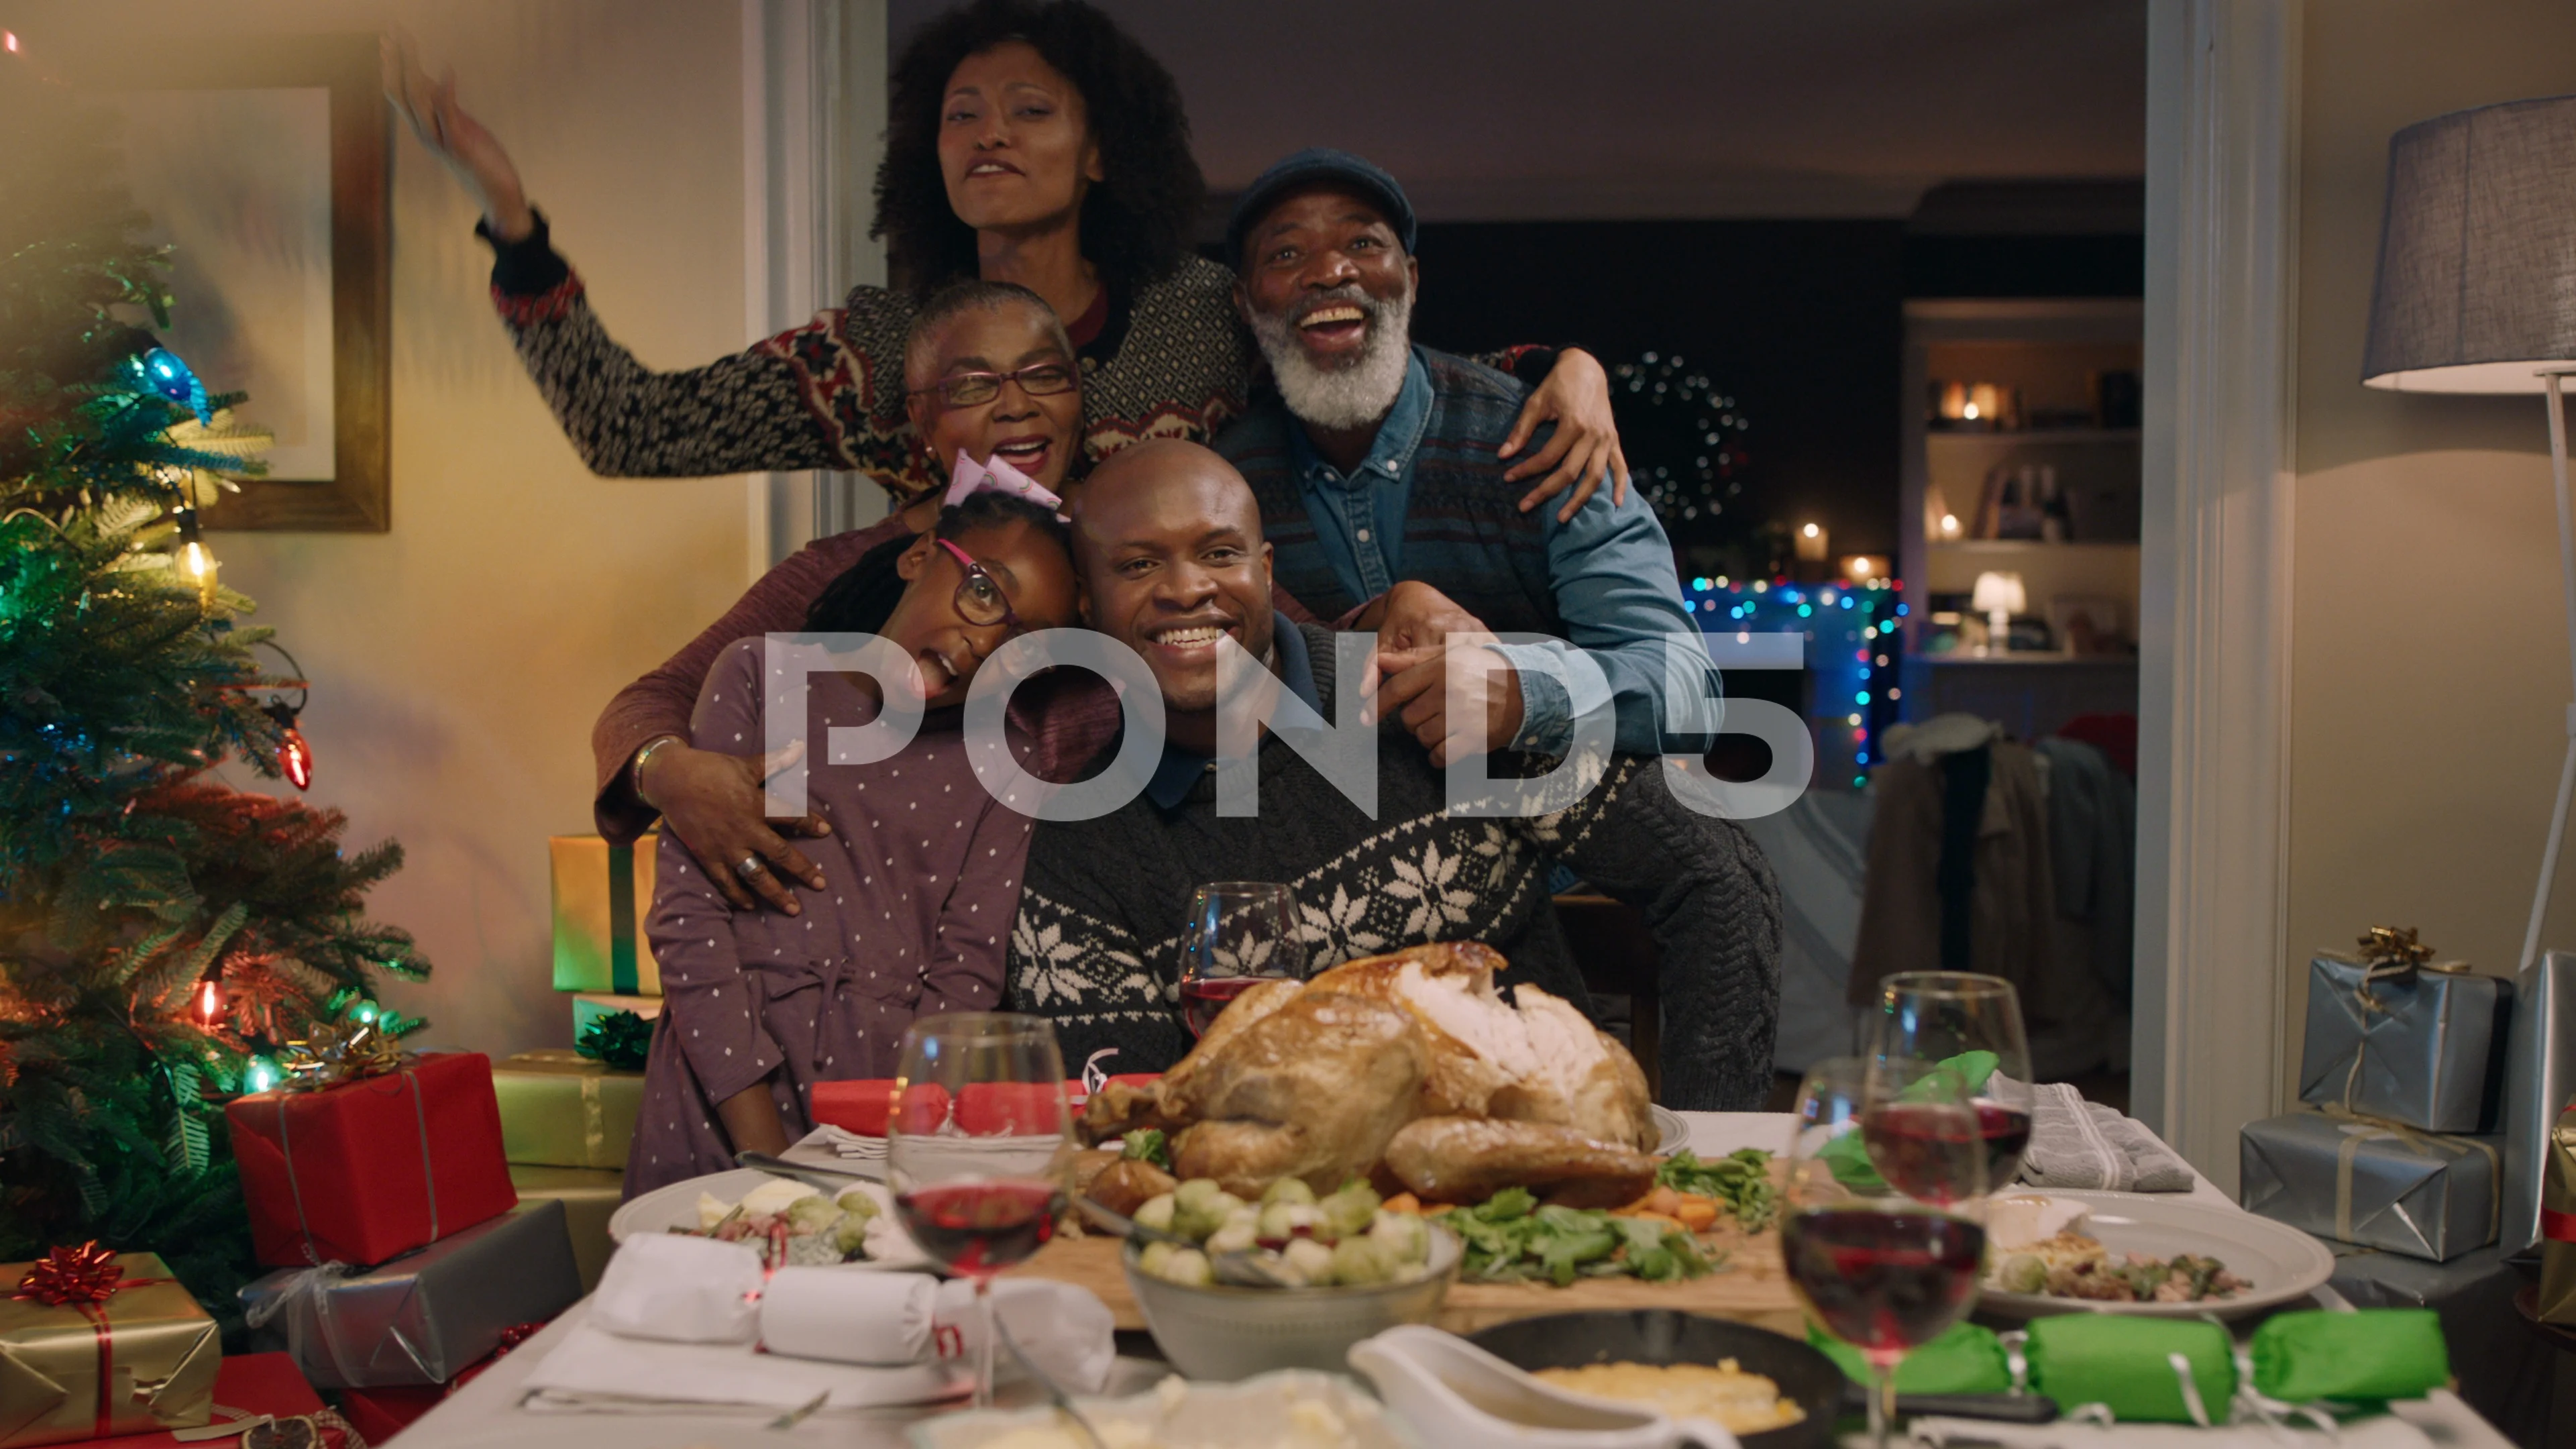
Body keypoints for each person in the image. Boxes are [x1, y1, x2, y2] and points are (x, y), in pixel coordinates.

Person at [383, 0, 1627, 510]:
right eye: (962, 114)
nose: (989, 136)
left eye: (1031, 112)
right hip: (965, 744)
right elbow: (632, 434)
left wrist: (1564, 367)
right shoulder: (878, 348)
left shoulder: (1199, 314)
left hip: (1188, 731)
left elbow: (1370, 373)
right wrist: (511, 217)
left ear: (1100, 152)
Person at [1005, 441, 1781, 1109]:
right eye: (1138, 564)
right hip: (1290, 1248)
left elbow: (1718, 880)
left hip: (1540, 1200)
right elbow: (1133, 1123)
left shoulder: (1436, 700)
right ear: (1085, 602)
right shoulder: (1080, 847)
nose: (1186, 589)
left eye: (1219, 553)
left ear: (1264, 569)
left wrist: (1710, 1140)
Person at [595, 280, 1114, 916]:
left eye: (1042, 375)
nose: (1016, 405)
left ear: (1078, 396)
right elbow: (648, 702)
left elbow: (1265, 652)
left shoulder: (1138, 546)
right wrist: (673, 775)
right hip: (880, 949)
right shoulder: (840, 567)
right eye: (973, 386)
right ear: (923, 422)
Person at [630, 476, 1080, 1196]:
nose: (985, 641)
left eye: (1024, 642)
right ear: (921, 556)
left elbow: (966, 972)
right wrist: (766, 1154)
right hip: (719, 1099)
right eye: (985, 591)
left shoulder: (1008, 761)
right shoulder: (761, 677)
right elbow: (690, 923)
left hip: (881, 1129)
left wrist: (875, 1143)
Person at [1213, 149, 1725, 764]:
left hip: (1557, 843)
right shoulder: (1225, 483)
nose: (1331, 271)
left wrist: (1520, 696)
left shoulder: (1544, 441)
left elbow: (1689, 690)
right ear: (1246, 304)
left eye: (1364, 242)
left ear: (1411, 278)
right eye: (1286, 254)